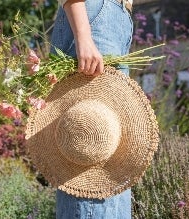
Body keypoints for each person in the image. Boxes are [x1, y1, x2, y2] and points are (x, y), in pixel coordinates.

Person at [50, 0, 134, 218]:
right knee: (88, 159)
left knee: (112, 167)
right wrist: (84, 35)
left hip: (118, 18)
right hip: (94, 16)